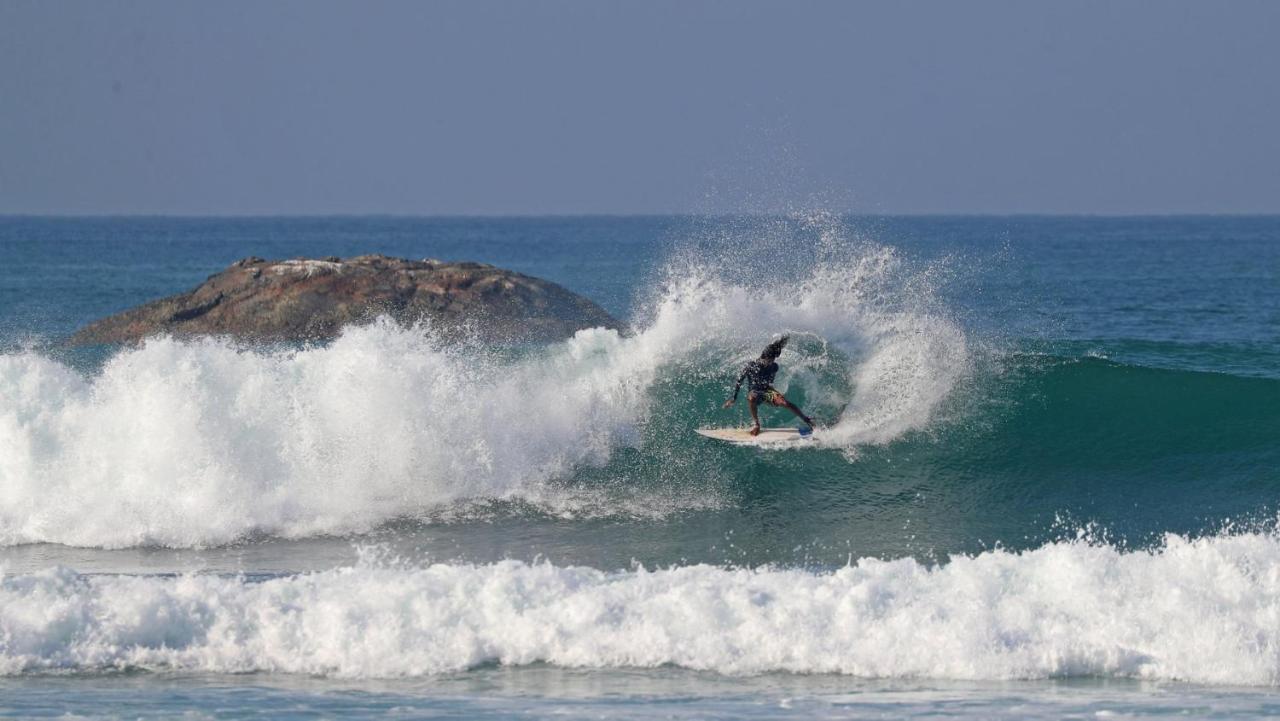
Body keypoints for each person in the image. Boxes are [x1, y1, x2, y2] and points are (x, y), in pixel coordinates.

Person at [722, 335, 816, 435]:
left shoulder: (774, 367)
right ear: (764, 357)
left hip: (767, 391)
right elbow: (739, 381)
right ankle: (757, 425)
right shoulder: (751, 366)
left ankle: (807, 420)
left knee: (785, 403)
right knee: (751, 397)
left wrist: (777, 395)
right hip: (755, 392)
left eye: (773, 360)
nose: (771, 362)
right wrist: (733, 398)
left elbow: (769, 385)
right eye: (770, 360)